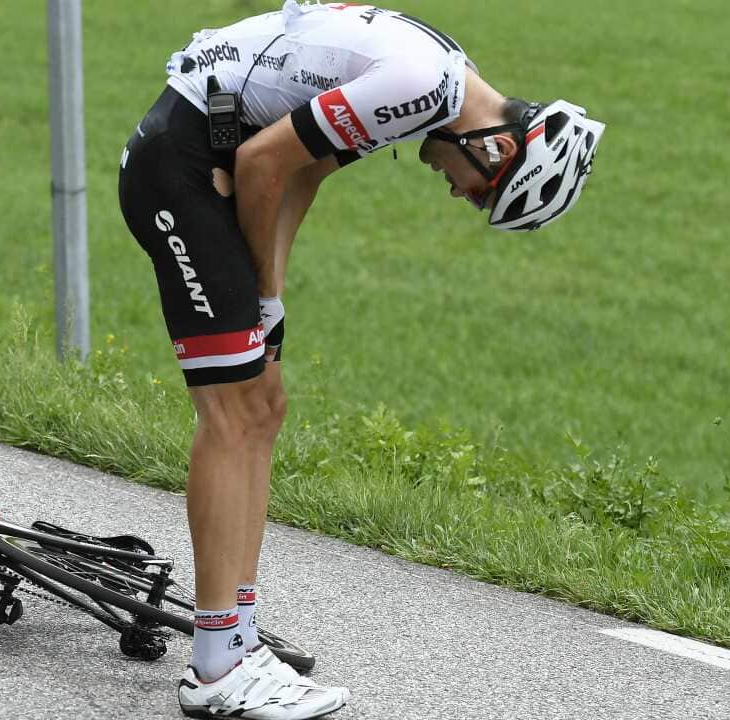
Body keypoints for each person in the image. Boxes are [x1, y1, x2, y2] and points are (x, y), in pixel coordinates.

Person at [117, 2, 606, 718]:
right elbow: (261, 164)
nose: (458, 194)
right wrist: (264, 291)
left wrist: (269, 301)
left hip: (209, 159)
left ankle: (238, 635)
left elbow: (303, 169)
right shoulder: (421, 84)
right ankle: (218, 667)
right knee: (233, 413)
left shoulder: (439, 80)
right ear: (496, 152)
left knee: (263, 406)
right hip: (185, 168)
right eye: (481, 198)